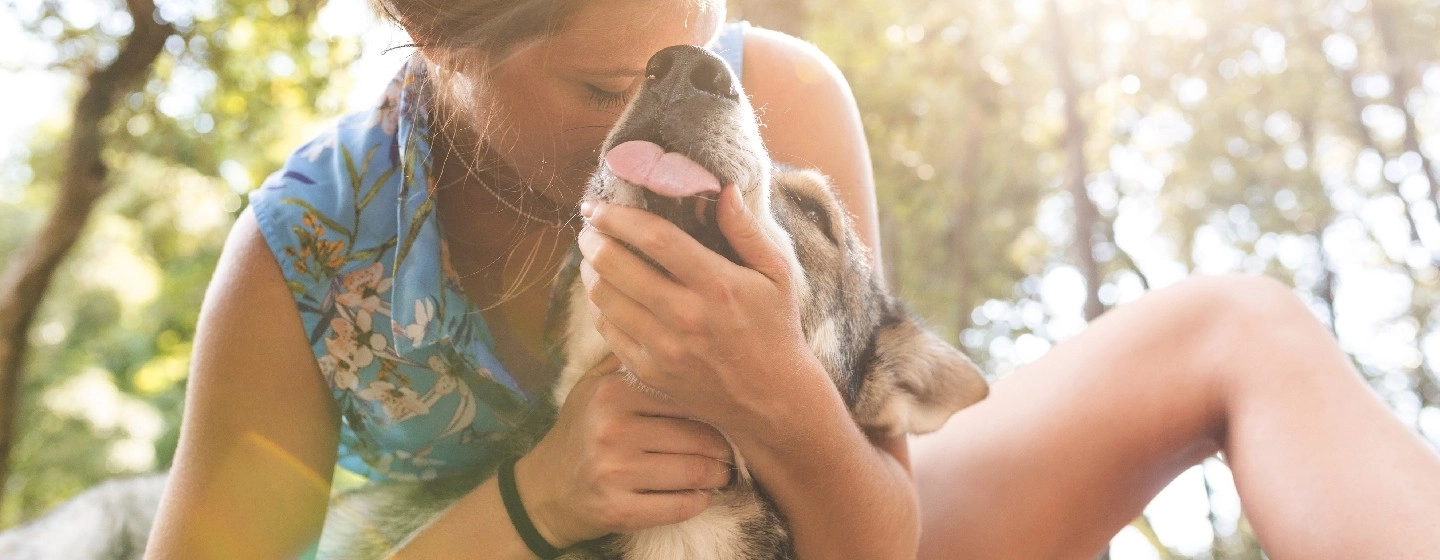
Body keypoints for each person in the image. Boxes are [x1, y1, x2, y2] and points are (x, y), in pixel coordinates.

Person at [145, 0, 1440, 558]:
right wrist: (533, 505)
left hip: (840, 525)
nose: (687, 87)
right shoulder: (307, 255)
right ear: (439, 41)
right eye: (611, 86)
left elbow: (884, 530)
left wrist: (780, 398)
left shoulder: (771, 94)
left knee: (1236, 325)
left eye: (694, 38)